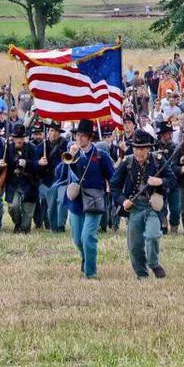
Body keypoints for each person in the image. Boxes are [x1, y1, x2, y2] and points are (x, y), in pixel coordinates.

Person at [111, 129, 176, 279]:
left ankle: (153, 263)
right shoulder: (127, 162)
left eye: (142, 149)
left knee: (153, 236)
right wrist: (123, 200)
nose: (139, 152)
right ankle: (142, 275)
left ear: (148, 148)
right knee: (134, 246)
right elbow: (114, 186)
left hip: (152, 206)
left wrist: (159, 181)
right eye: (136, 148)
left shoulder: (158, 160)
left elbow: (172, 180)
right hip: (134, 208)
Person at [55, 119, 114, 279]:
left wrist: (112, 192)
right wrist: (68, 159)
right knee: (77, 239)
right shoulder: (71, 152)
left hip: (94, 200)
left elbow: (113, 177)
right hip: (76, 201)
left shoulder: (101, 156)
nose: (79, 139)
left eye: (83, 136)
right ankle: (85, 257)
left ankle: (90, 272)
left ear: (89, 137)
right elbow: (58, 174)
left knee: (88, 237)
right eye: (78, 135)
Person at [0, 123, 38, 233]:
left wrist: (27, 163)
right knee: (12, 207)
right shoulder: (7, 149)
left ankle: (23, 228)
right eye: (17, 138)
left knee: (28, 214)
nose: (19, 140)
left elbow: (37, 166)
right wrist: (0, 164)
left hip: (29, 184)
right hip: (13, 183)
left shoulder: (32, 149)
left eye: (21, 137)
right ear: (13, 138)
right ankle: (17, 224)